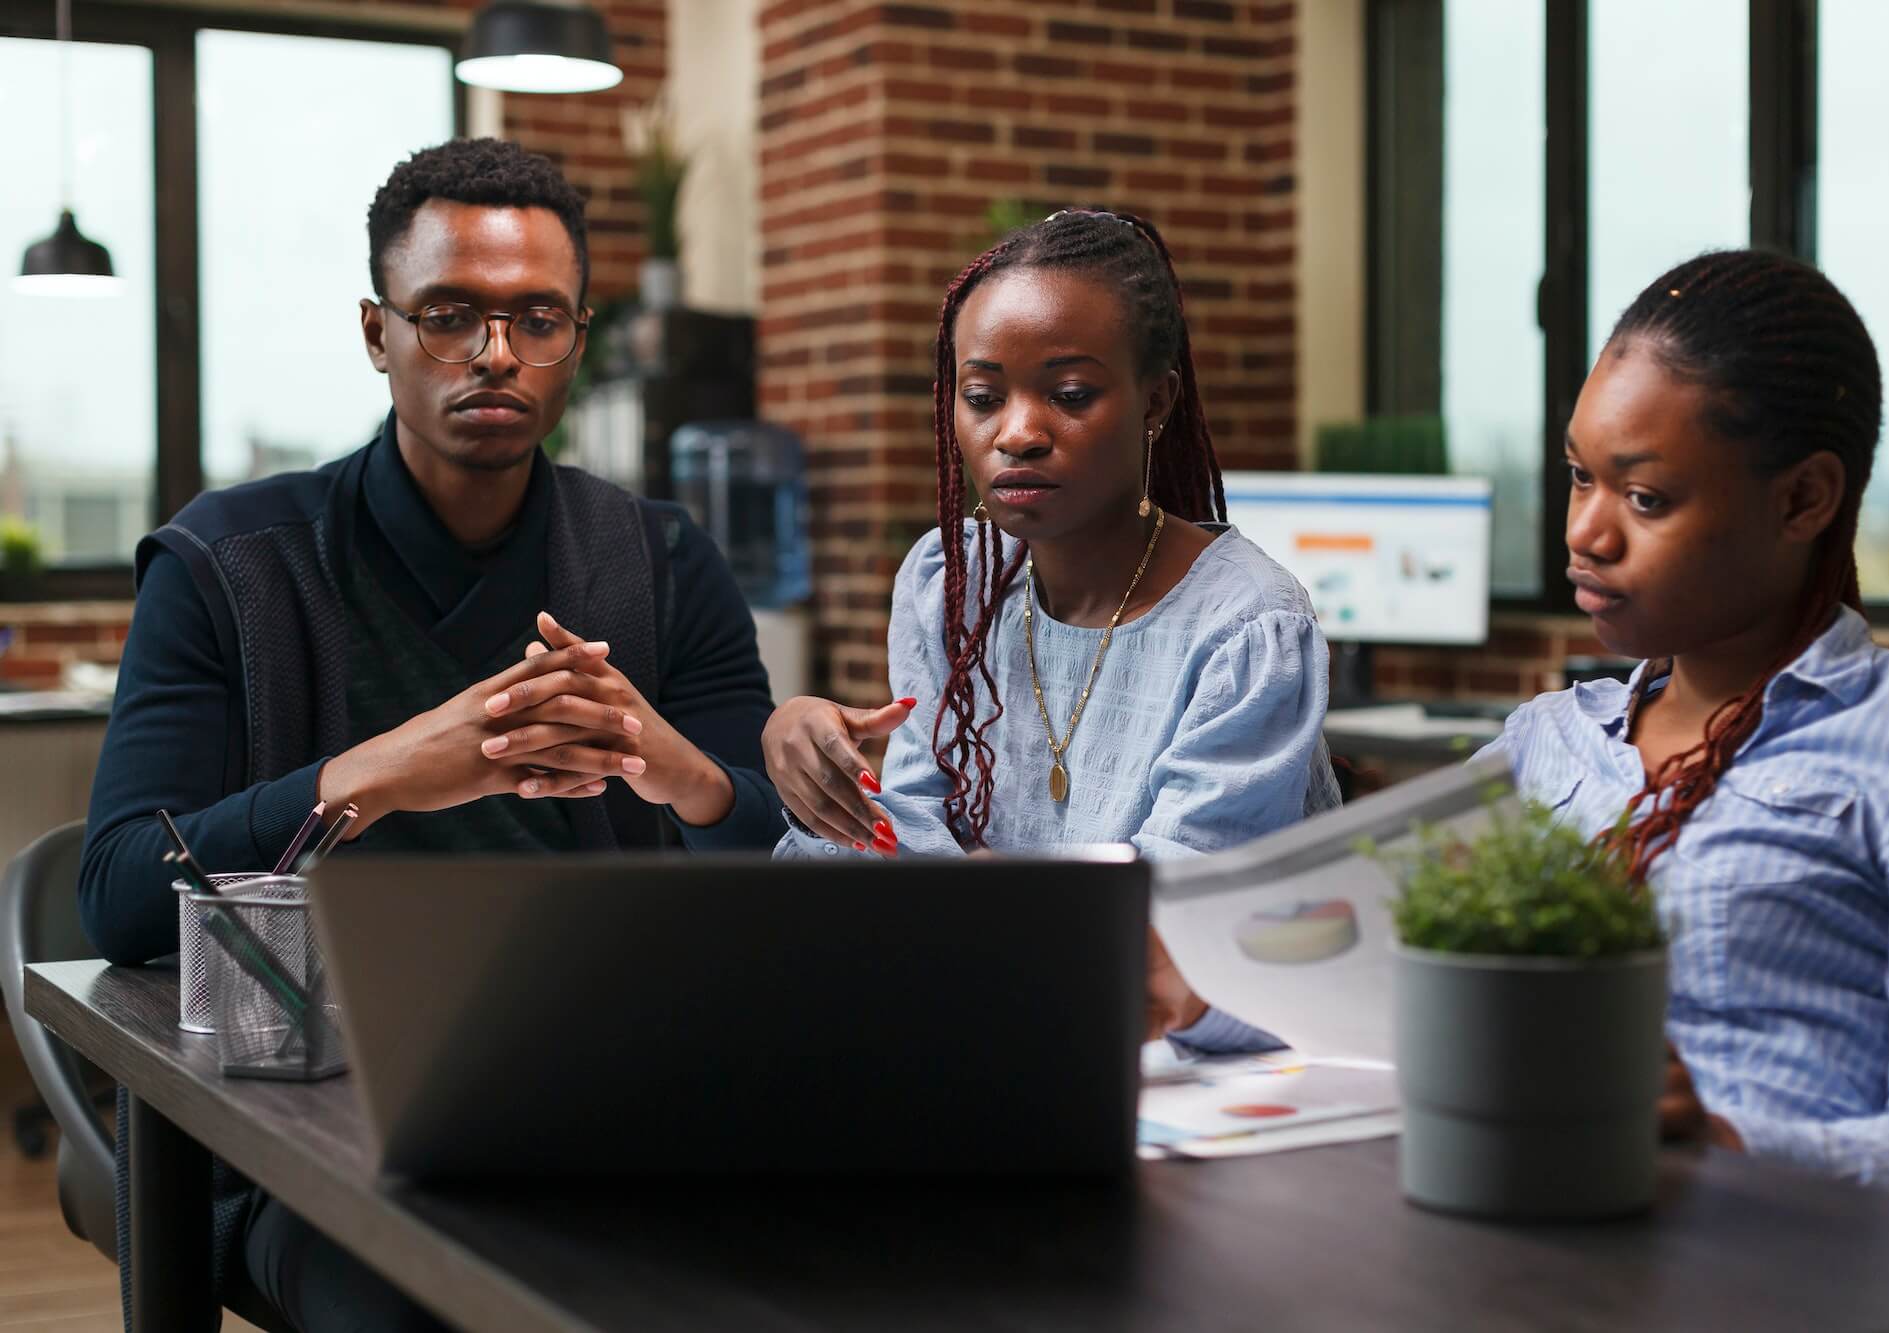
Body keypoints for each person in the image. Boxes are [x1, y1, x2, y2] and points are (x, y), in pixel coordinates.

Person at [79, 138, 785, 1330]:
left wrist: (671, 768)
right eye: (450, 314)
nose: (496, 353)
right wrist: (372, 778)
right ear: (378, 332)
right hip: (308, 1122)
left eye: (537, 318)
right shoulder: (230, 566)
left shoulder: (657, 560)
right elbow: (116, 891)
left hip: (600, 1098)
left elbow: (772, 851)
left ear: (577, 336)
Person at [1478, 249, 1889, 1202]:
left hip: (1773, 1258)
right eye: (1578, 477)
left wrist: (1718, 1138)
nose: (1585, 533)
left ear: (1803, 499)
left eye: (1644, 497)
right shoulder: (1542, 739)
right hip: (1526, 1214)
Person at [762, 209, 1338, 1050]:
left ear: (1156, 402)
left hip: (1189, 1070)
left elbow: (1178, 923)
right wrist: (817, 767)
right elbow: (917, 836)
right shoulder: (948, 581)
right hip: (992, 1012)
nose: (1019, 433)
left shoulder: (1248, 624)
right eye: (984, 397)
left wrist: (983, 890)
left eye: (1070, 396)